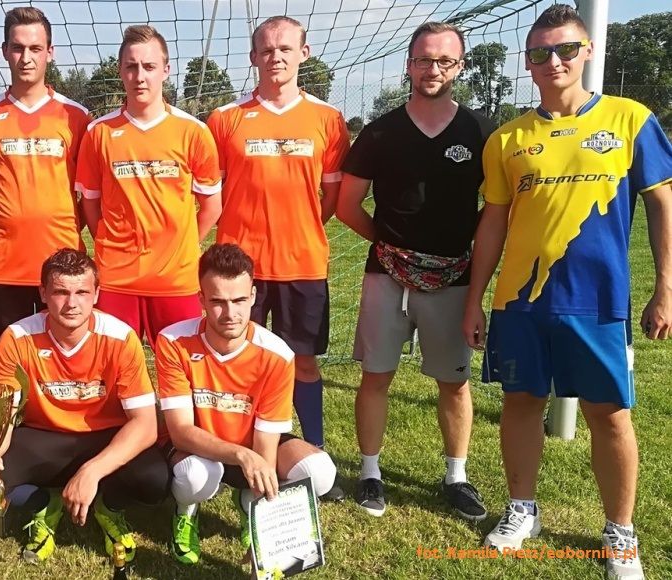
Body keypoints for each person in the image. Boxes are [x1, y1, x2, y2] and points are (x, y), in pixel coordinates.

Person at [462, 6, 671, 578]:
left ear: (588, 52)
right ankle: (521, 509)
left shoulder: (630, 119)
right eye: (540, 52)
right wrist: (475, 298)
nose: (553, 61)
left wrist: (665, 288)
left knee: (610, 415)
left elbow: (662, 202)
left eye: (565, 49)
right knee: (521, 403)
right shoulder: (507, 139)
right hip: (520, 301)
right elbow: (493, 222)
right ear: (528, 62)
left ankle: (620, 533)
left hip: (598, 302)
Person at [336, 21, 494, 521]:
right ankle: (370, 472)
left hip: (455, 276)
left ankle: (456, 477)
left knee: (454, 382)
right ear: (408, 65)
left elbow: (497, 208)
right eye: (424, 59)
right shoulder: (379, 132)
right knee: (376, 375)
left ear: (460, 66)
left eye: (445, 60)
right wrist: (391, 246)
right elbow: (347, 205)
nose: (433, 69)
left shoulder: (481, 131)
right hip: (386, 273)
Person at [0, 249, 168, 565]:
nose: (72, 303)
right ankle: (43, 504)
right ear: (43, 293)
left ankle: (108, 507)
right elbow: (3, 419)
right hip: (43, 438)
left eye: (82, 292)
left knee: (154, 479)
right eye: (60, 292)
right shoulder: (16, 338)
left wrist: (92, 471)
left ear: (96, 294)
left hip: (105, 436)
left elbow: (145, 424)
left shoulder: (120, 337)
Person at [206, 17, 350, 463]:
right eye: (267, 50)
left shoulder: (328, 119)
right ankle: (234, 448)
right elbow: (212, 193)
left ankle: (314, 449)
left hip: (301, 263)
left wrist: (300, 226)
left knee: (303, 360)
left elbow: (330, 197)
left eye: (286, 49)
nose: (276, 57)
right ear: (253, 57)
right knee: (235, 355)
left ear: (303, 54)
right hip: (238, 269)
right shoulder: (225, 119)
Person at [157, 243, 338, 566]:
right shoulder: (173, 342)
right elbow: (181, 432)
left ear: (253, 296)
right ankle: (186, 511)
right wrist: (241, 456)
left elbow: (265, 445)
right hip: (199, 446)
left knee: (320, 472)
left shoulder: (277, 354)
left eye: (239, 300)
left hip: (254, 442)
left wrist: (264, 530)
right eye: (218, 302)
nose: (230, 314)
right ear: (201, 299)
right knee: (195, 475)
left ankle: (247, 505)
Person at [74, 25, 222, 342]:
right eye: (131, 66)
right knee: (113, 366)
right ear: (120, 71)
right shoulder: (98, 133)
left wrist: (182, 246)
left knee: (182, 367)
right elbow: (91, 203)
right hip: (116, 280)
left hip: (176, 281)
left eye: (149, 66)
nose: (140, 76)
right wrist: (111, 245)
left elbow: (212, 205)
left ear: (166, 70)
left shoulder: (193, 132)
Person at [0, 7, 91, 354]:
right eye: (18, 48)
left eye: (35, 48)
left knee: (65, 362)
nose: (26, 57)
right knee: (7, 365)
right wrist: (12, 223)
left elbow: (88, 196)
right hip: (1, 267)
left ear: (50, 52)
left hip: (64, 267)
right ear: (5, 51)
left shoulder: (78, 118)